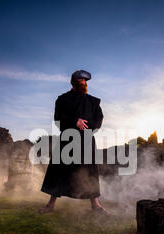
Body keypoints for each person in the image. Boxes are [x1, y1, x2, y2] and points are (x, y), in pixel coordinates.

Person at [38, 70, 110, 214]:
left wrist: (86, 126)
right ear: (73, 82)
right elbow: (57, 119)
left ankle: (95, 205)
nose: (83, 83)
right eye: (80, 81)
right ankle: (50, 205)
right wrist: (74, 122)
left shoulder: (93, 102)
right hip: (67, 138)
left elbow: (98, 120)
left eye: (85, 81)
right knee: (59, 170)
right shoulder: (62, 99)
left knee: (89, 171)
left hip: (86, 140)